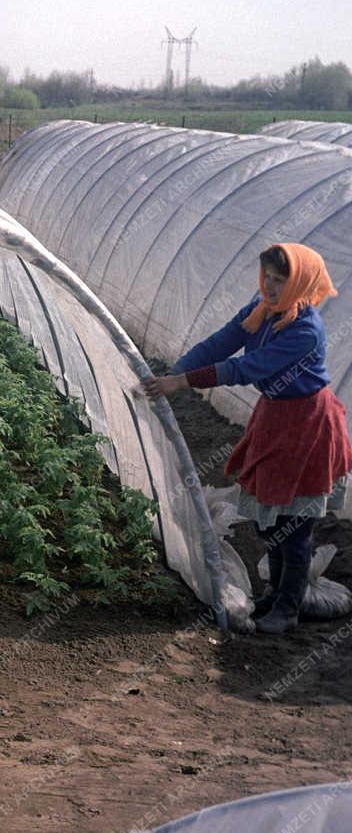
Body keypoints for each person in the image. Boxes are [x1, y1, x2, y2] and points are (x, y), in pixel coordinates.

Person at [141, 243, 351, 634]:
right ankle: (277, 594)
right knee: (269, 521)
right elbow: (222, 342)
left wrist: (184, 382)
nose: (270, 287)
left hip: (308, 426)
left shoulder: (304, 330)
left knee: (296, 522)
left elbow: (247, 367)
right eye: (267, 278)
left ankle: (288, 608)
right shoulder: (262, 311)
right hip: (275, 419)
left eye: (279, 281)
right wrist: (177, 371)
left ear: (300, 283)